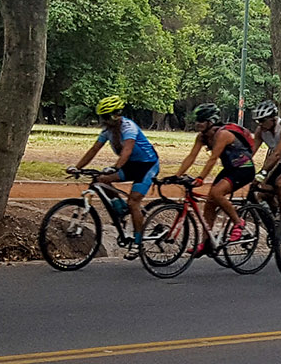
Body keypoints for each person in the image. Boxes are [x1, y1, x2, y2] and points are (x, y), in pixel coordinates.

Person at [69, 95, 158, 239]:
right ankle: (119, 208)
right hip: (130, 165)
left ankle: (137, 241)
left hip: (147, 166)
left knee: (133, 201)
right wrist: (77, 167)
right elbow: (93, 150)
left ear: (116, 115)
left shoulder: (129, 127)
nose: (103, 121)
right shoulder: (107, 131)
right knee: (100, 180)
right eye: (102, 117)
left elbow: (127, 151)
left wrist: (115, 167)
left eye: (106, 117)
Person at [170, 103, 255, 250]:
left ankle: (238, 222)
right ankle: (205, 243)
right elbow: (191, 157)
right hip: (230, 168)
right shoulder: (202, 137)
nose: (198, 124)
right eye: (197, 121)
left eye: (201, 121)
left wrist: (200, 178)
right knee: (210, 203)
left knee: (216, 193)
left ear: (211, 122)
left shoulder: (222, 134)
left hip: (244, 169)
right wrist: (176, 175)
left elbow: (213, 158)